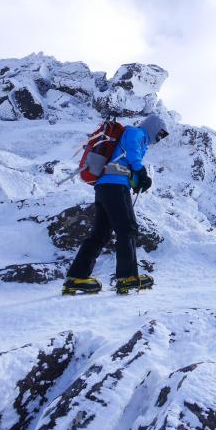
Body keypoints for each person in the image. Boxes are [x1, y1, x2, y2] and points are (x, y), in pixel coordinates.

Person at [62, 114, 169, 295]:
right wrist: (141, 172)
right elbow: (132, 152)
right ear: (153, 127)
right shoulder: (137, 133)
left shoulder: (135, 136)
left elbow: (121, 161)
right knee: (127, 228)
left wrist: (136, 181)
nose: (159, 138)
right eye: (160, 133)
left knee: (100, 234)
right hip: (115, 186)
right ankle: (127, 278)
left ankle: (76, 277)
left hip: (105, 187)